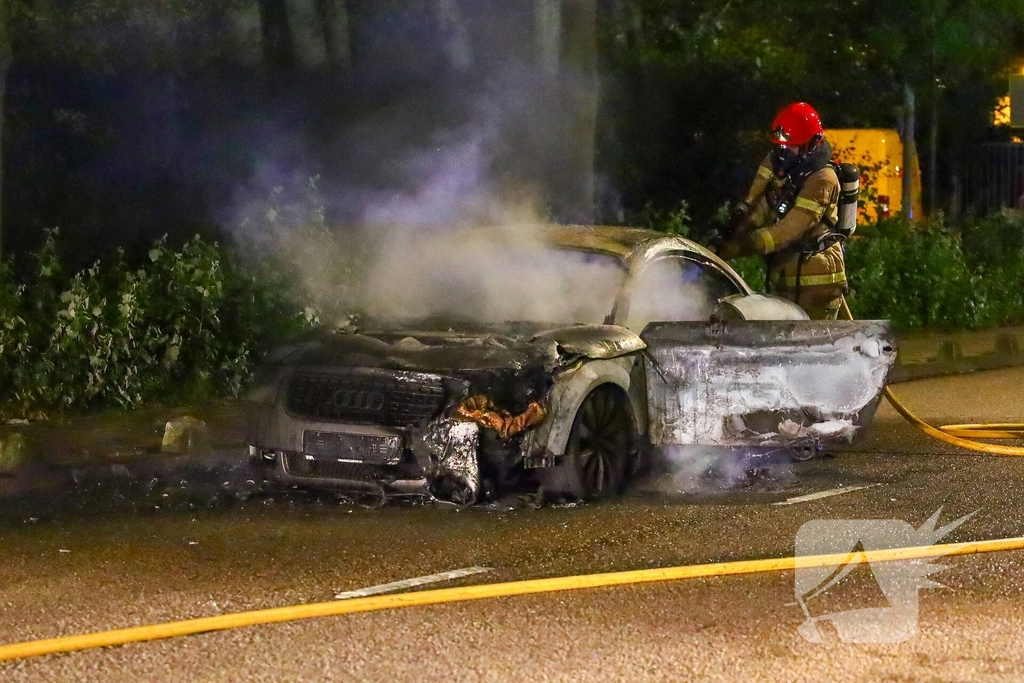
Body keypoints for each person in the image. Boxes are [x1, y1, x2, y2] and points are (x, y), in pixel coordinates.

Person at [713, 102, 847, 320]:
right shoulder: (783, 163)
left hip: (817, 281)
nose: (783, 153)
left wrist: (739, 247)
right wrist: (732, 231)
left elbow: (785, 232)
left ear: (810, 145)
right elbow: (761, 205)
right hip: (786, 274)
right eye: (780, 146)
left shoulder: (823, 180)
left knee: (813, 340)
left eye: (790, 146)